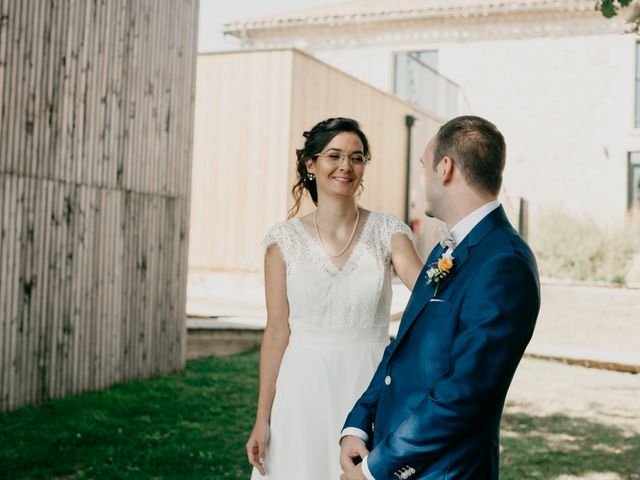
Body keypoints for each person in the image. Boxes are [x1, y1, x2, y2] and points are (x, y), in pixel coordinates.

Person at [339, 115, 541, 480]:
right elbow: (402, 348)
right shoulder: (443, 250)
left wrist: (375, 469)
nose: (422, 179)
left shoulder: (504, 263)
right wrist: (358, 424)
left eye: (423, 167)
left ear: (445, 168)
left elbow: (463, 396)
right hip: (387, 449)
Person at [246, 117, 424, 479]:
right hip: (302, 388)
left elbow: (429, 300)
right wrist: (262, 420)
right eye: (334, 156)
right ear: (311, 165)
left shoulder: (388, 232)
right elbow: (277, 331)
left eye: (357, 158)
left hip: (369, 382)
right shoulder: (283, 242)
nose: (346, 166)